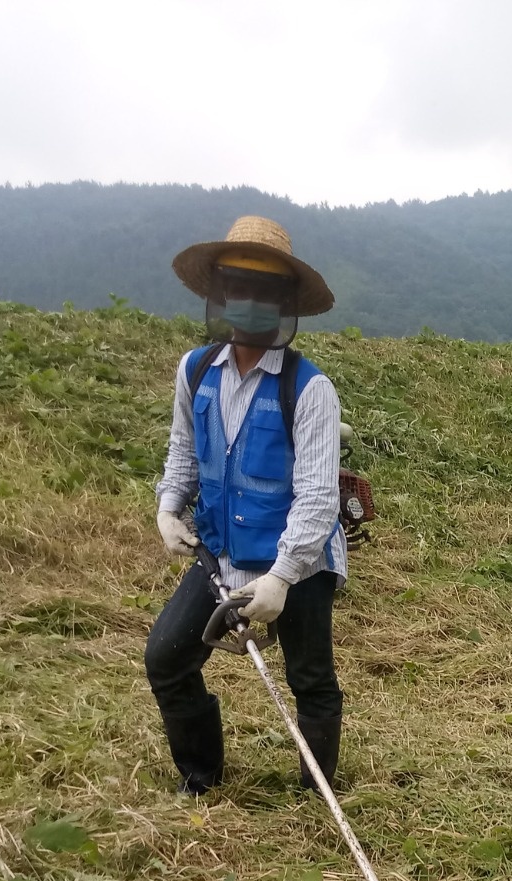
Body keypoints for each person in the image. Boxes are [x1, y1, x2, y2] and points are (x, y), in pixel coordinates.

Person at [146, 216, 347, 795]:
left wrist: (282, 579)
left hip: (300, 561)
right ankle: (201, 774)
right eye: (241, 288)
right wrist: (168, 507)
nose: (252, 303)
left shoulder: (308, 390)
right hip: (222, 550)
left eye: (267, 294)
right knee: (167, 658)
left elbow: (316, 497)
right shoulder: (196, 370)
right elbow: (183, 449)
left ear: (286, 304)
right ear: (222, 293)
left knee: (309, 679)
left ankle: (316, 791)